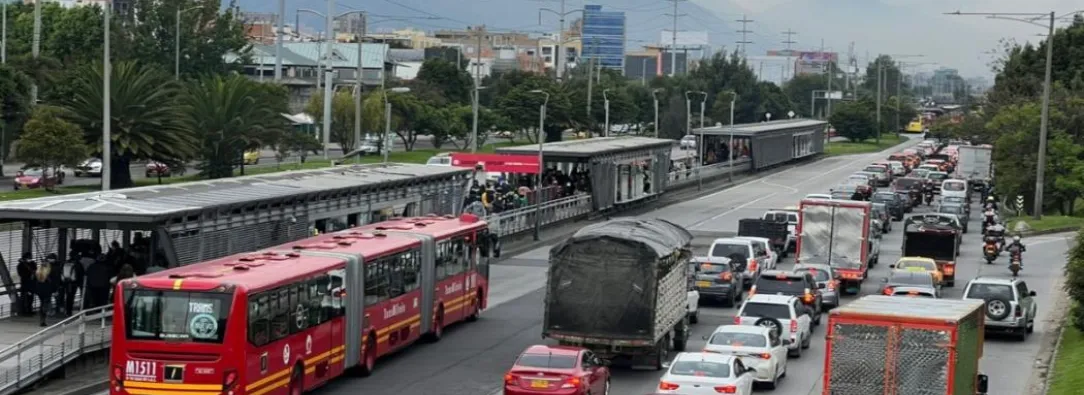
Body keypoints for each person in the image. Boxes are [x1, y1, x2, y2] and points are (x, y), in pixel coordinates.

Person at [33, 261, 54, 327]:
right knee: (45, 304)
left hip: (39, 291)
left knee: (42, 304)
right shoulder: (48, 274)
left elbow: (34, 282)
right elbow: (51, 283)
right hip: (47, 291)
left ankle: (42, 320)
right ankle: (43, 319)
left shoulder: (37, 272)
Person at [16, 253, 36, 317]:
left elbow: (35, 270)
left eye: (30, 258)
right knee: (24, 298)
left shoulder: (32, 263)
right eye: (28, 258)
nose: (29, 259)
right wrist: (30, 274)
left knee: (30, 298)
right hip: (25, 283)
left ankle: (29, 311)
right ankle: (24, 311)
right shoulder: (20, 265)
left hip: (31, 283)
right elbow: (21, 274)